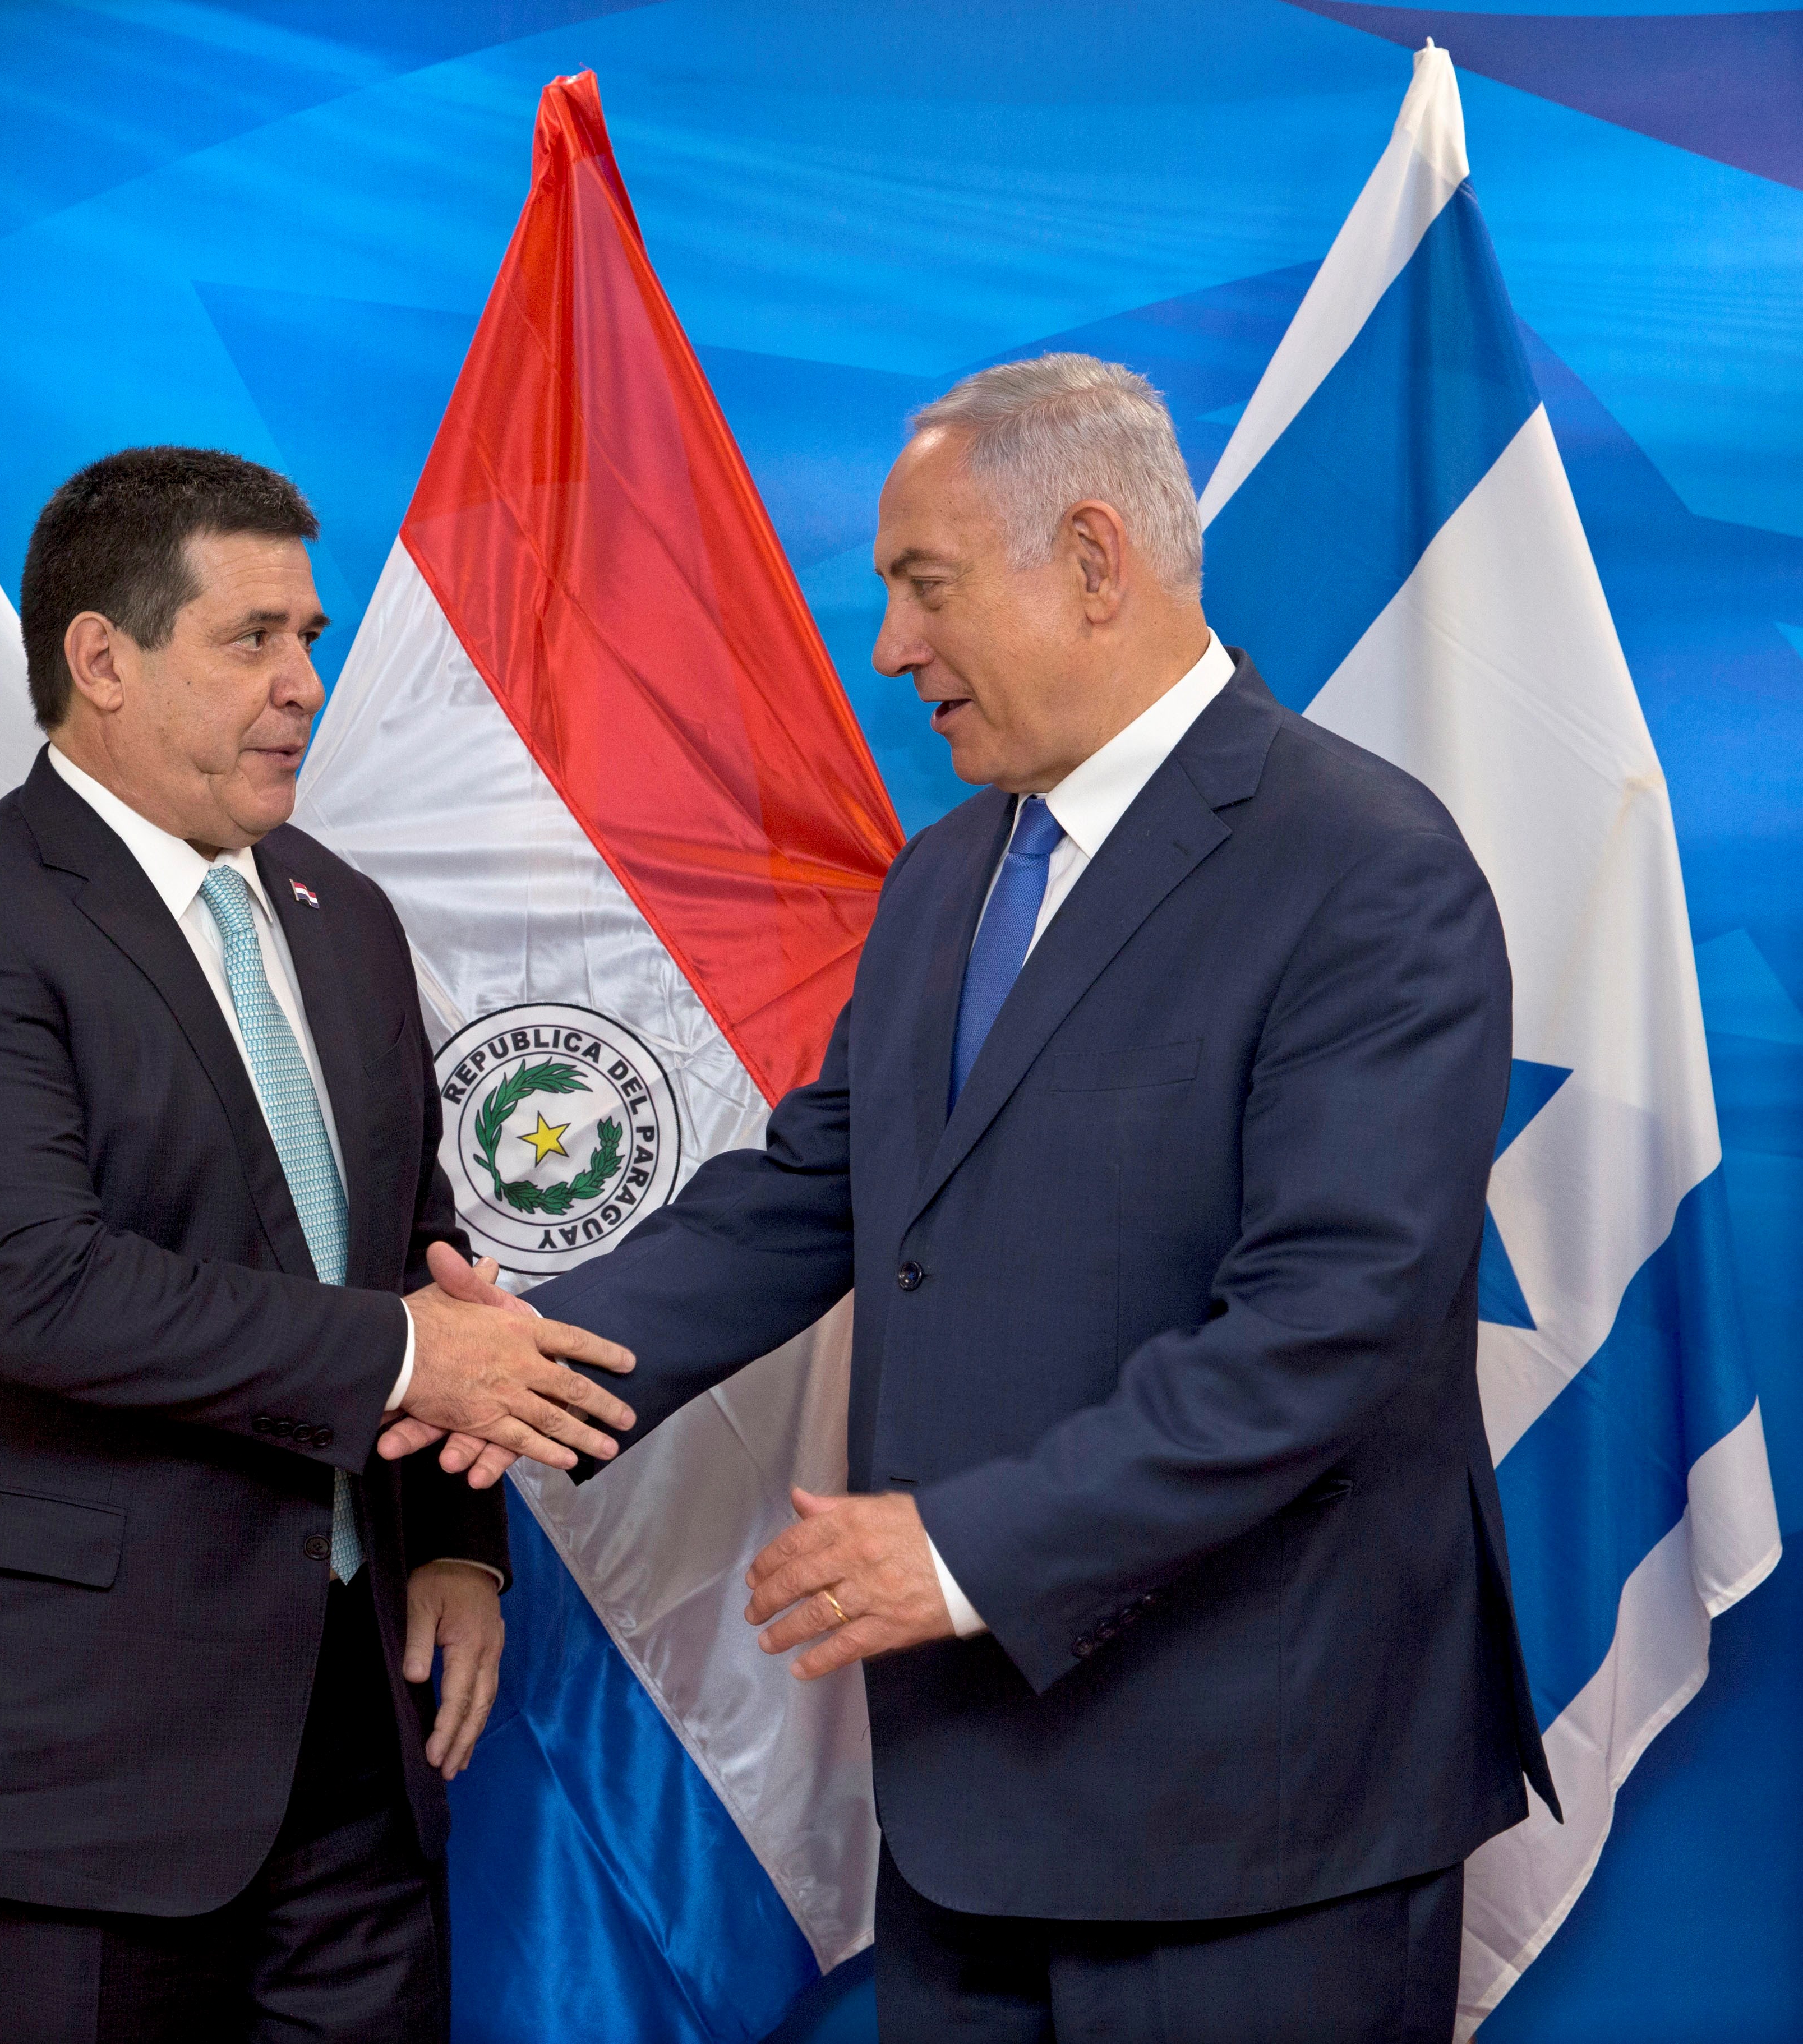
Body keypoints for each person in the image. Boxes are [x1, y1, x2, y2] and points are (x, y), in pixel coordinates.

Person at [399, 355, 1557, 2040]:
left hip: (1256, 1817)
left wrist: (960, 1549)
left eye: (919, 585)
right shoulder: (948, 873)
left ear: (1091, 561)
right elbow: (815, 1191)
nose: (888, 646)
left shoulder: (1361, 866)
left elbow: (1333, 1329)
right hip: (965, 1808)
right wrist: (537, 1353)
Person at [0, 446, 638, 2042]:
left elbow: (410, 1253)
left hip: (351, 1729)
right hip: (70, 1759)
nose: (303, 684)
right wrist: (412, 1357)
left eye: (307, 638)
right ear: (100, 660)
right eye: (250, 639)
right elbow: (40, 1291)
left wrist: (455, 1542)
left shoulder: (339, 909)